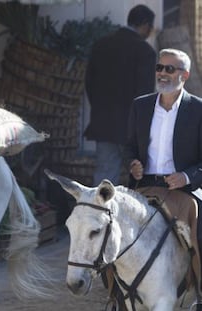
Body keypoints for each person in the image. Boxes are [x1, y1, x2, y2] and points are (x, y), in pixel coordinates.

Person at [126, 48, 202, 308]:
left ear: (185, 75)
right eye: (159, 67)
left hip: (184, 191)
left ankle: (200, 295)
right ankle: (116, 294)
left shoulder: (199, 109)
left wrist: (186, 176)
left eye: (170, 69)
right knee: (109, 227)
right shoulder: (141, 105)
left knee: (200, 233)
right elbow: (128, 148)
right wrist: (133, 165)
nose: (162, 73)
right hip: (144, 186)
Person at [84, 4, 156, 186]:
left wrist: (101, 109)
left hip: (104, 123)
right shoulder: (145, 51)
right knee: (139, 176)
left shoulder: (101, 45)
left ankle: (100, 213)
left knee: (105, 175)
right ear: (146, 25)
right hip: (131, 128)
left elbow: (89, 84)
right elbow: (145, 95)